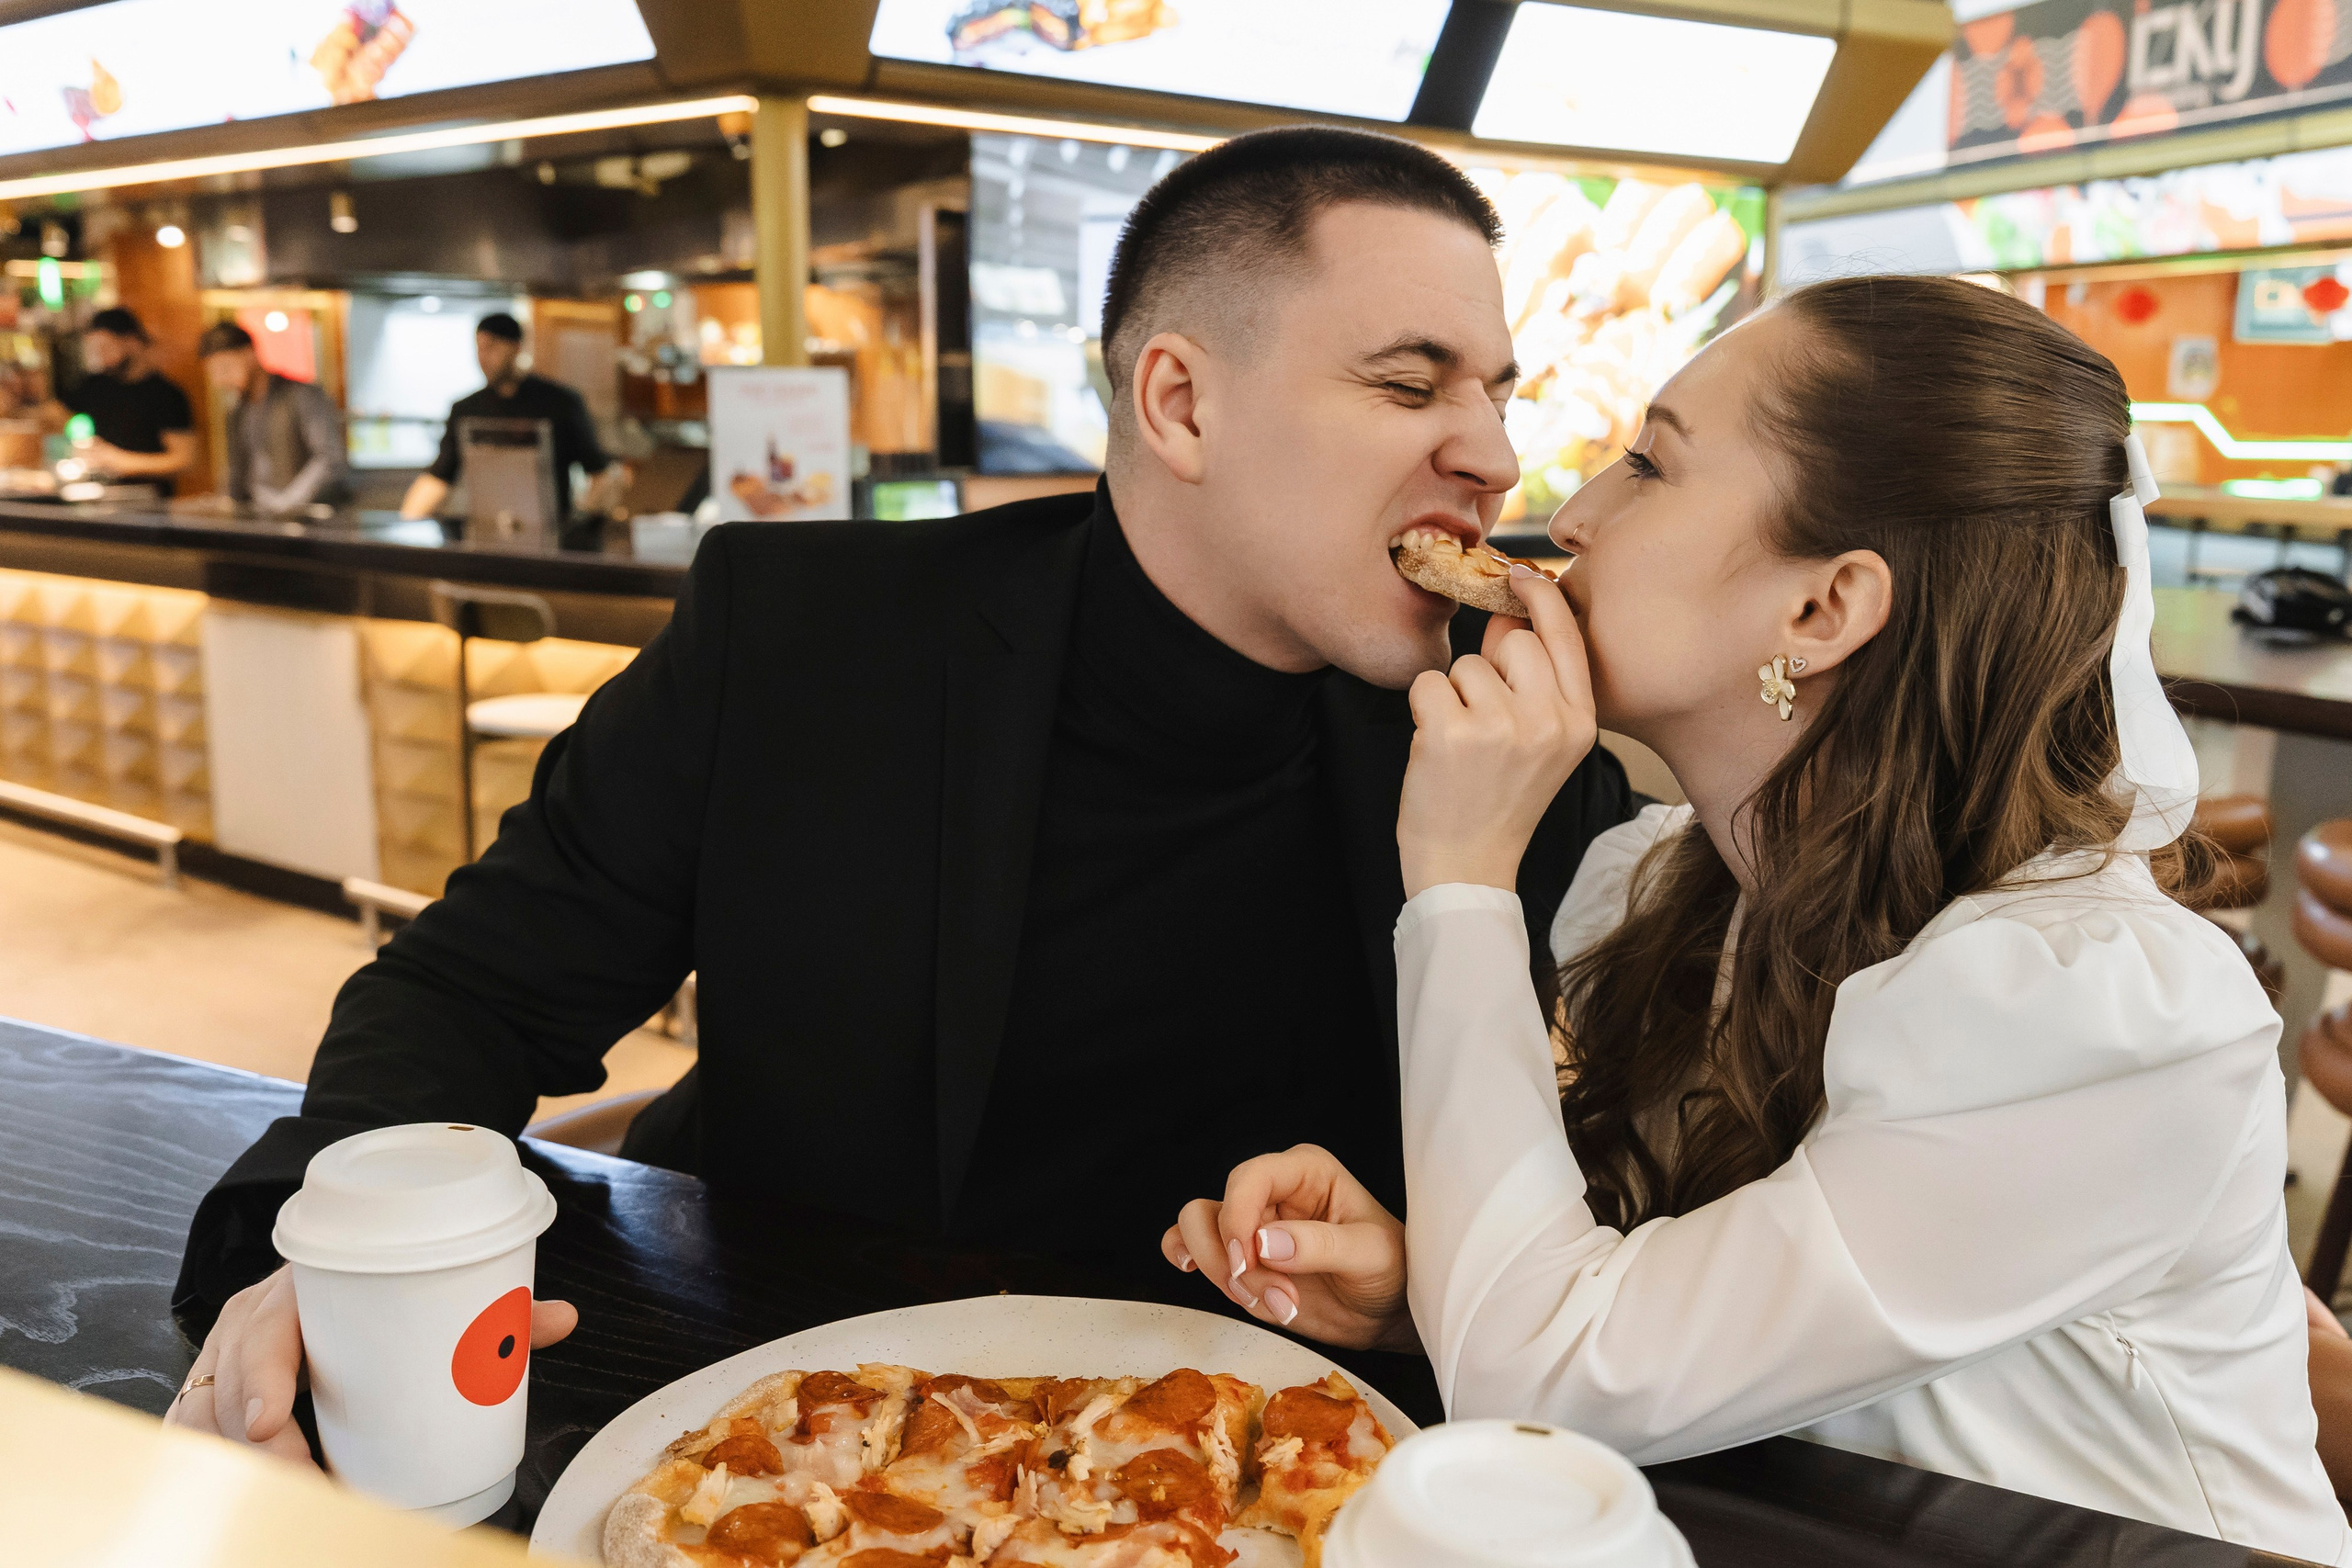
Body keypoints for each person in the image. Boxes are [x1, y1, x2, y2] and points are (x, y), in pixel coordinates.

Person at [165, 129, 1635, 1466]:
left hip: (1246, 1462)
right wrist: (327, 1254)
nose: (1495, 458)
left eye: (1499, 394)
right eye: (1409, 384)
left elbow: (1602, 1224)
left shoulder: (1506, 753)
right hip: (775, 1415)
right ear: (1180, 403)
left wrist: (1413, 1280)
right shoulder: (806, 637)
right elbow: (466, 993)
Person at [1168, 275, 2350, 1562]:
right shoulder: (1678, 885)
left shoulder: (2088, 1017)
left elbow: (1540, 1376)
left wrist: (1457, 875)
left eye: (1649, 466)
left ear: (1821, 609)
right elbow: (1669, 1337)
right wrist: (1433, 1291)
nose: (1571, 514)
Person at [399, 311, 627, 541]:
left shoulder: (560, 402)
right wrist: (404, 528)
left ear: (517, 347)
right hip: (485, 536)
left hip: (548, 540)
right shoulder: (466, 409)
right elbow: (438, 478)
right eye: (479, 348)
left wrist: (577, 528)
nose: (483, 357)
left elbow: (599, 474)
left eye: (492, 347)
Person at [198, 321, 353, 516]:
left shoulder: (301, 395)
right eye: (214, 373)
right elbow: (236, 471)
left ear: (249, 354)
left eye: (224, 368)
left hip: (306, 517)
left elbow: (329, 458)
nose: (220, 380)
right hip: (258, 516)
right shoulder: (237, 411)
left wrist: (289, 503)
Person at [42, 307, 197, 495]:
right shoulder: (96, 384)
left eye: (106, 347)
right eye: (96, 349)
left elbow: (184, 460)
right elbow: (53, 414)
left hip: (149, 501)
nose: (101, 356)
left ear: (132, 342)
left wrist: (121, 461)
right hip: (98, 494)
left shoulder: (167, 394)